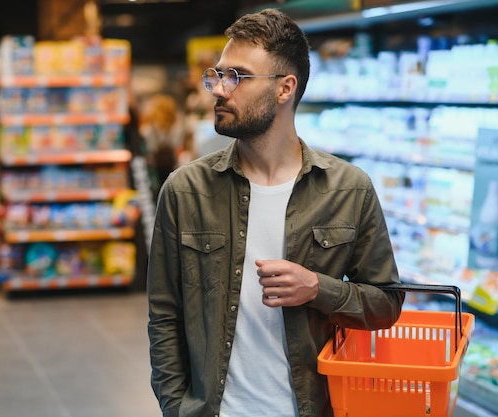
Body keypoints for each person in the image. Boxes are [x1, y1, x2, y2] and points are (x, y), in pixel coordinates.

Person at [147, 8, 404, 417]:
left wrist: (318, 288)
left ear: (285, 89)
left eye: (238, 77)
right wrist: (177, 407)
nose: (218, 89)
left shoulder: (349, 188)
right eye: (216, 75)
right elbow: (164, 315)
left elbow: (386, 304)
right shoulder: (184, 191)